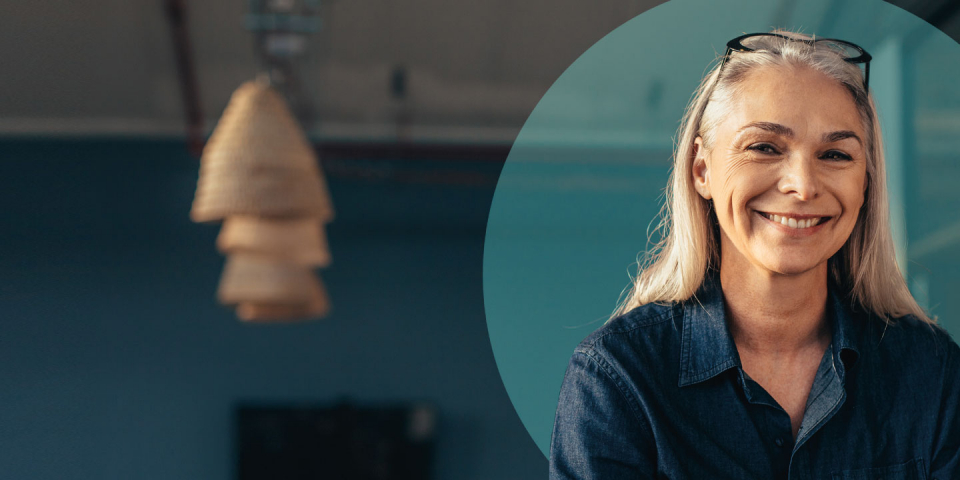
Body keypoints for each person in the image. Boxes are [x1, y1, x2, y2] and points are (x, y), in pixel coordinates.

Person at [549, 31, 960, 479]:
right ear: (701, 169)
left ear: (865, 183)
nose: (803, 186)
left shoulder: (933, 372)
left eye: (835, 154)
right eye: (764, 147)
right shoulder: (619, 378)